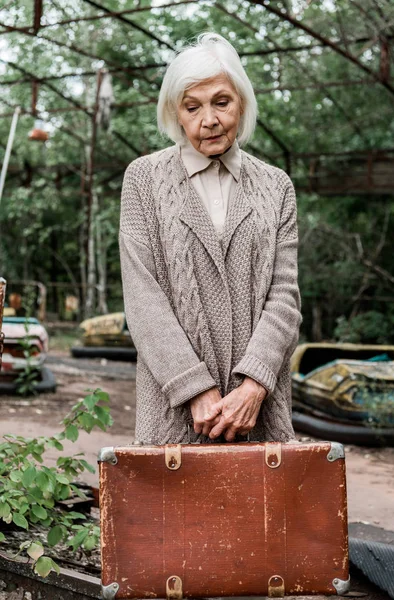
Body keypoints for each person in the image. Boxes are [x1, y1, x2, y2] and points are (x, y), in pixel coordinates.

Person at [119, 33, 302, 445]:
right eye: (192, 107)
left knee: (263, 509)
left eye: (222, 102)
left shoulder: (276, 186)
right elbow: (142, 297)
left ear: (242, 102)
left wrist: (255, 384)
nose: (209, 120)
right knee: (171, 509)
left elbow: (285, 295)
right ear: (176, 114)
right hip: (173, 407)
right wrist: (194, 388)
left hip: (260, 409)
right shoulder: (144, 180)